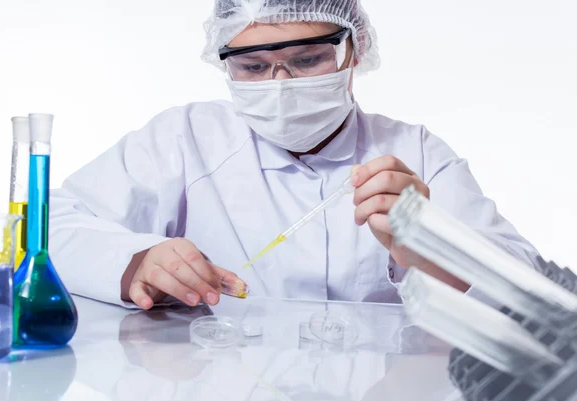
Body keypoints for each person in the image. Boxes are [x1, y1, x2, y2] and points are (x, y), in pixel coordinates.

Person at [49, 0, 539, 310]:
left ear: (355, 49)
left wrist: (429, 246)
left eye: (308, 59)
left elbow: (532, 292)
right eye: (253, 65)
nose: (280, 86)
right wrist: (135, 261)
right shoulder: (183, 139)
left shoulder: (415, 154)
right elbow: (49, 227)